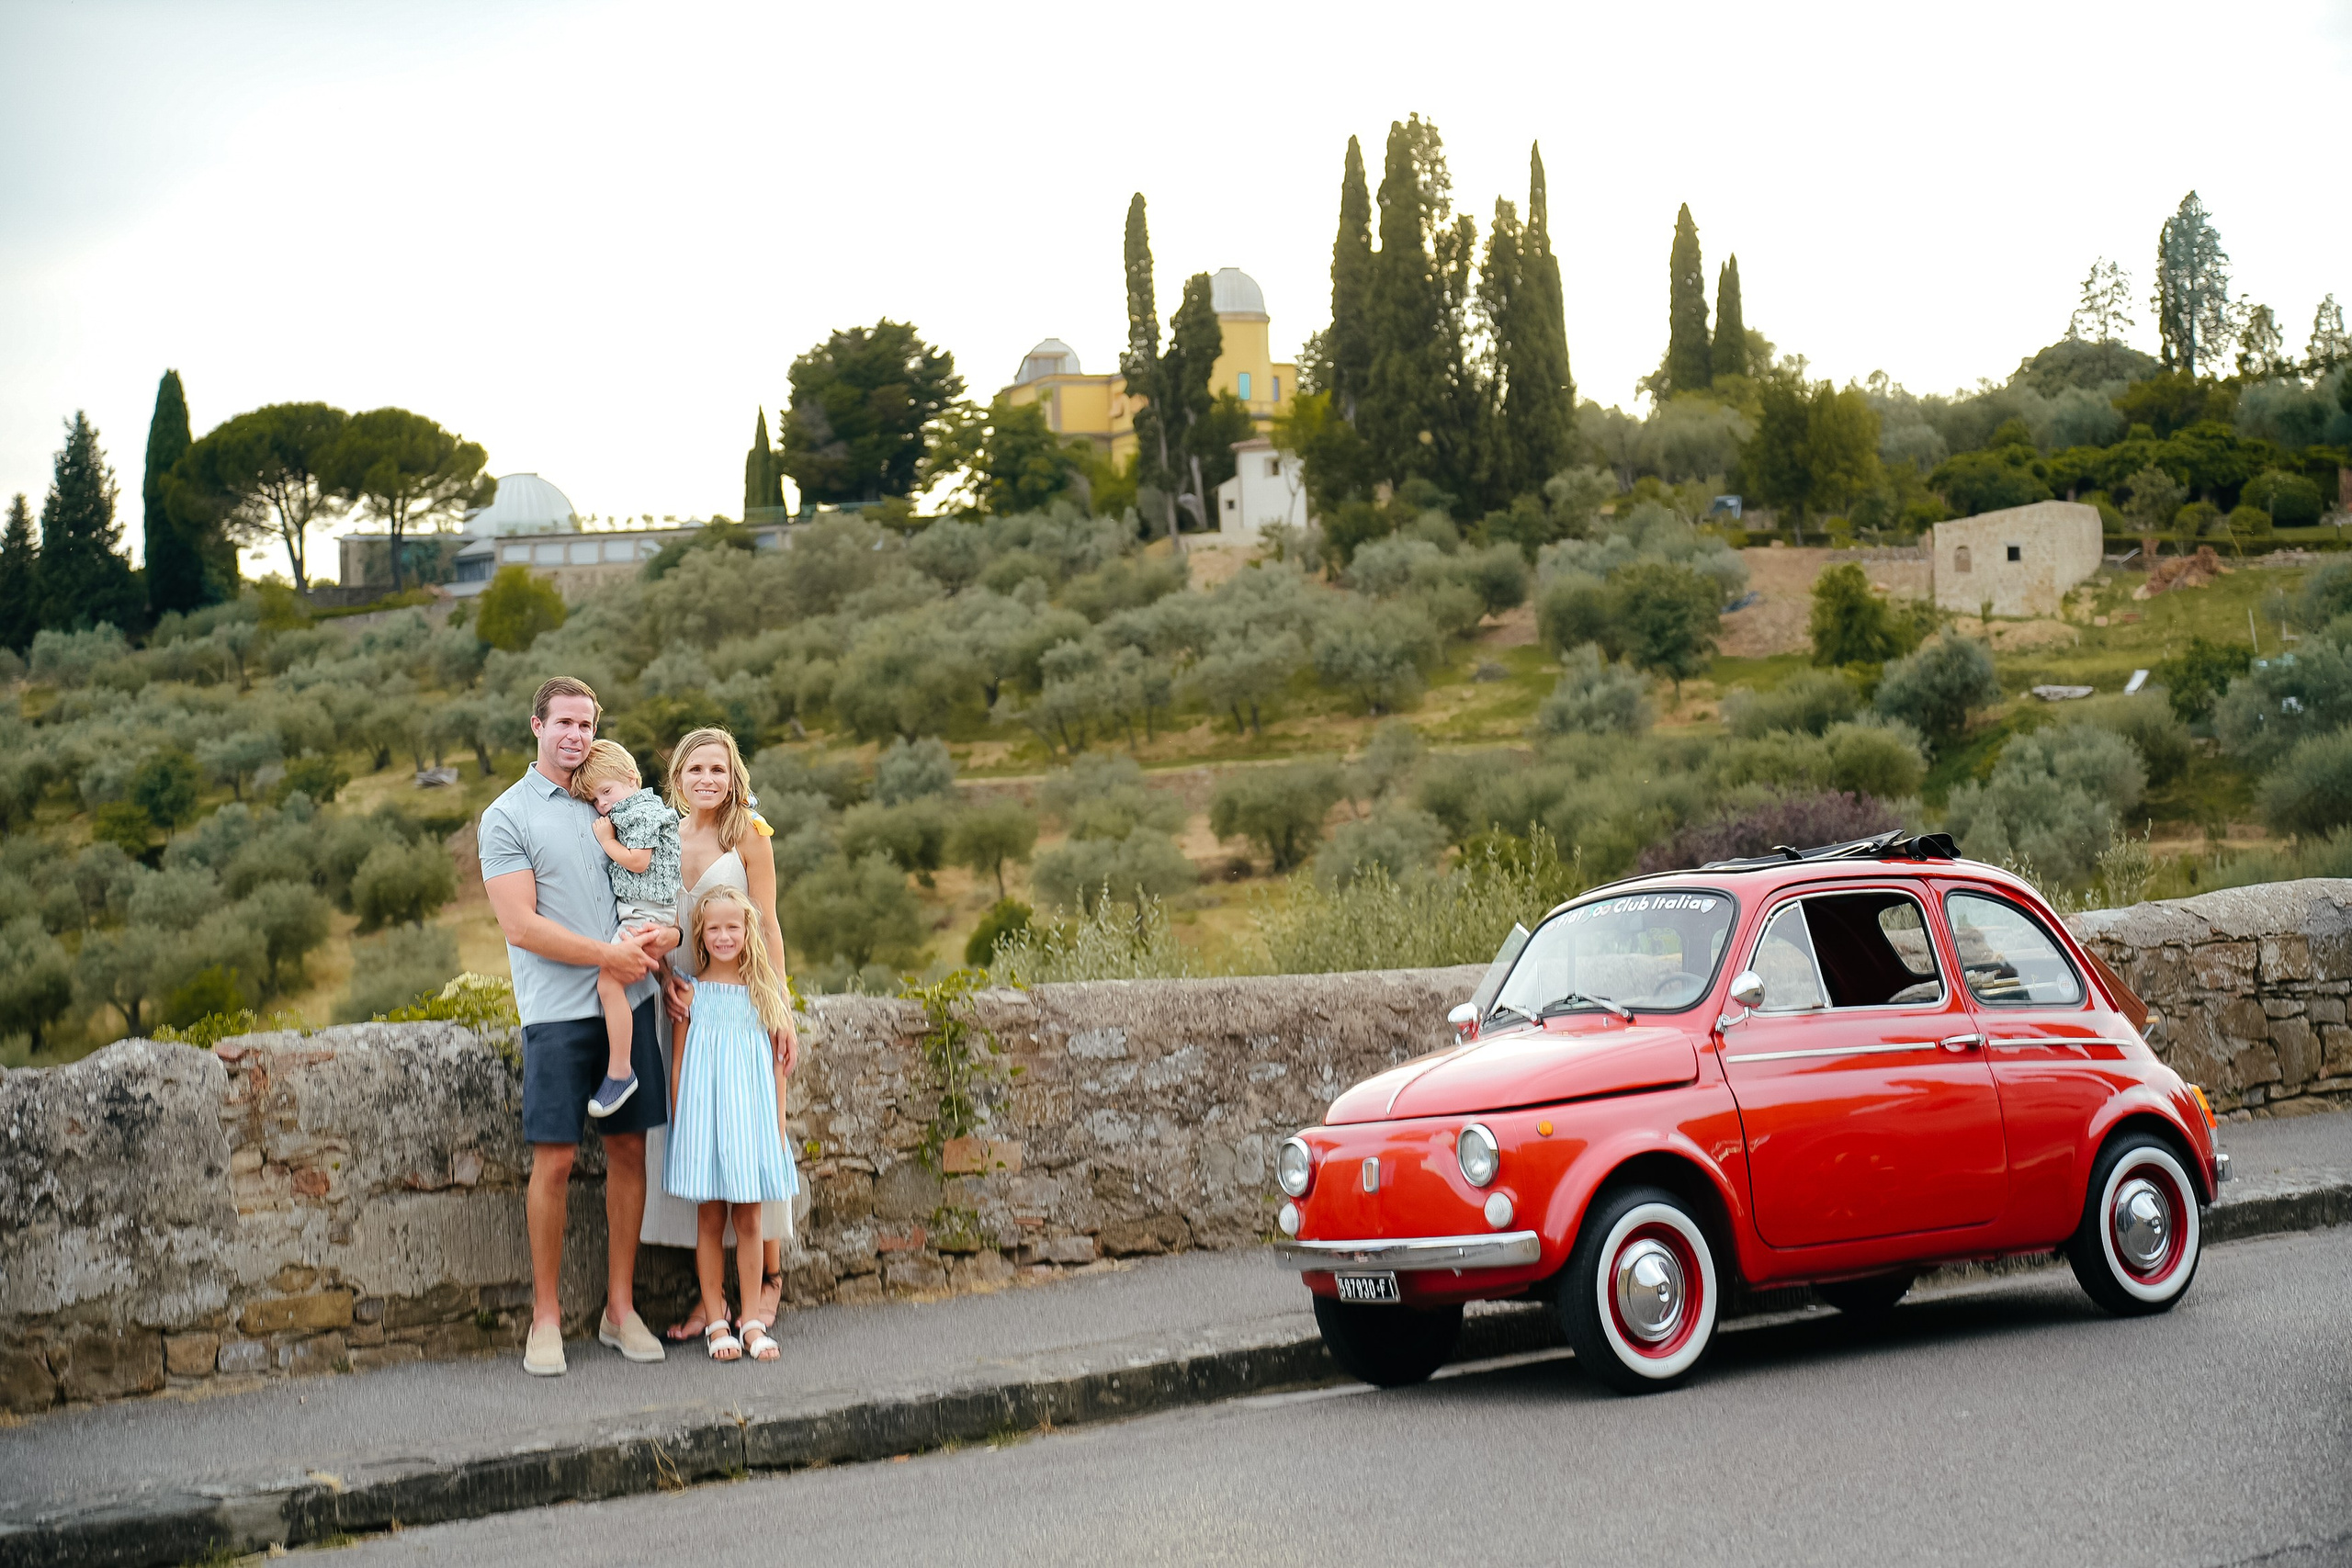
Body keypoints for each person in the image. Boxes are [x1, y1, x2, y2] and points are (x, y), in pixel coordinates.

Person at [478, 676, 674, 1378]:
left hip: (631, 1004)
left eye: (586, 723)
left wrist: (660, 970)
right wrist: (608, 957)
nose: (575, 734)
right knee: (554, 1162)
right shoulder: (506, 817)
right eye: (563, 721)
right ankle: (547, 1319)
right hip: (558, 1015)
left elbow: (644, 894)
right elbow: (520, 925)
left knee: (629, 1153)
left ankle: (620, 1311)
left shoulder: (616, 803)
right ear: (536, 724)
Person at [640, 727, 801, 1340]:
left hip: (739, 1002)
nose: (708, 778)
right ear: (677, 776)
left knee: (754, 1145)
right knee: (693, 1150)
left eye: (719, 768)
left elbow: (771, 929)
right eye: (697, 768)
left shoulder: (749, 839)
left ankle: (767, 1285)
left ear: (734, 778)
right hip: (679, 1007)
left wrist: (778, 1010)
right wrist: (661, 978)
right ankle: (710, 1304)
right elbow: (648, 921)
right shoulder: (660, 839)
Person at [666, 884, 799, 1361]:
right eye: (715, 927)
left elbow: (777, 1067)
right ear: (701, 933)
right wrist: (683, 1125)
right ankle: (716, 1321)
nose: (724, 936)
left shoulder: (765, 995)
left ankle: (753, 1321)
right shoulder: (689, 990)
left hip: (752, 1125)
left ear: (748, 932)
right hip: (705, 1125)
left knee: (748, 1219)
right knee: (709, 1219)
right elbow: (678, 1065)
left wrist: (777, 1129)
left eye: (733, 927)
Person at [569, 739, 684, 1121]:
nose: (603, 805)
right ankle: (621, 1068)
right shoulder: (630, 810)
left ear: (633, 778)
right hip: (643, 912)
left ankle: (620, 1071)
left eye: (607, 791)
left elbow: (637, 861)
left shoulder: (642, 812)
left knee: (608, 983)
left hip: (646, 915)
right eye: (596, 800)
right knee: (613, 983)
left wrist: (606, 841)